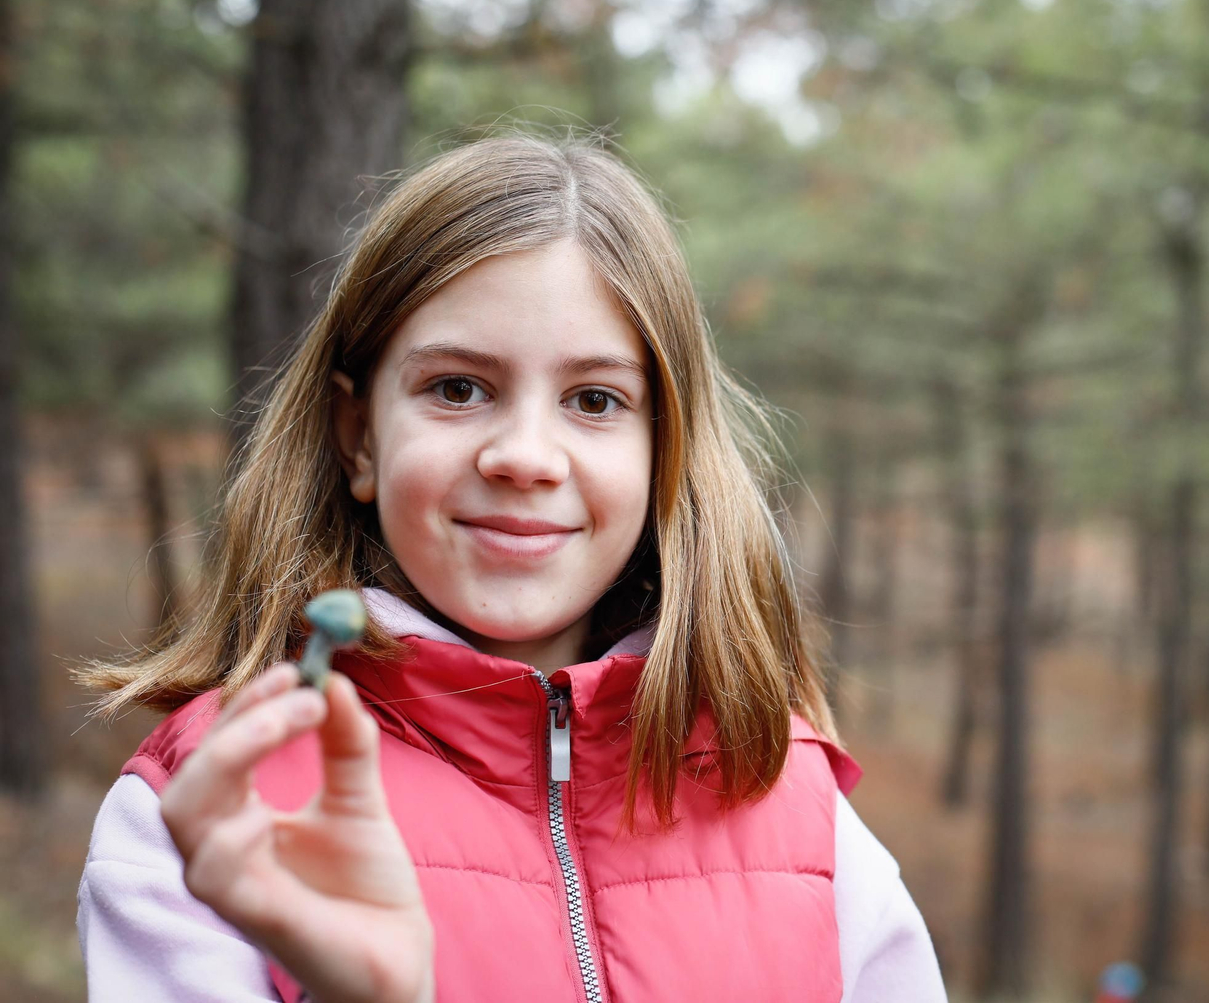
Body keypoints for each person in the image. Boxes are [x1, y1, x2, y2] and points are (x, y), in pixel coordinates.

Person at [71, 132, 946, 1003]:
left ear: (664, 448)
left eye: (594, 400)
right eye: (458, 388)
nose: (525, 456)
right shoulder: (209, 816)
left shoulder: (806, 824)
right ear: (359, 436)